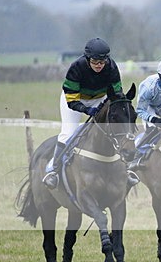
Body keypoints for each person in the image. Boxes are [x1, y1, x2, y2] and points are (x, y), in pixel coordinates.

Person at [42, 37, 139, 189]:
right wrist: (87, 110)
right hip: (75, 99)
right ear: (88, 59)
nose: (99, 65)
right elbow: (72, 100)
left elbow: (116, 93)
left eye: (102, 62)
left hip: (100, 97)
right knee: (68, 133)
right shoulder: (76, 68)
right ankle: (53, 171)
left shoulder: (111, 67)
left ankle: (125, 171)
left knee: (113, 130)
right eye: (95, 62)